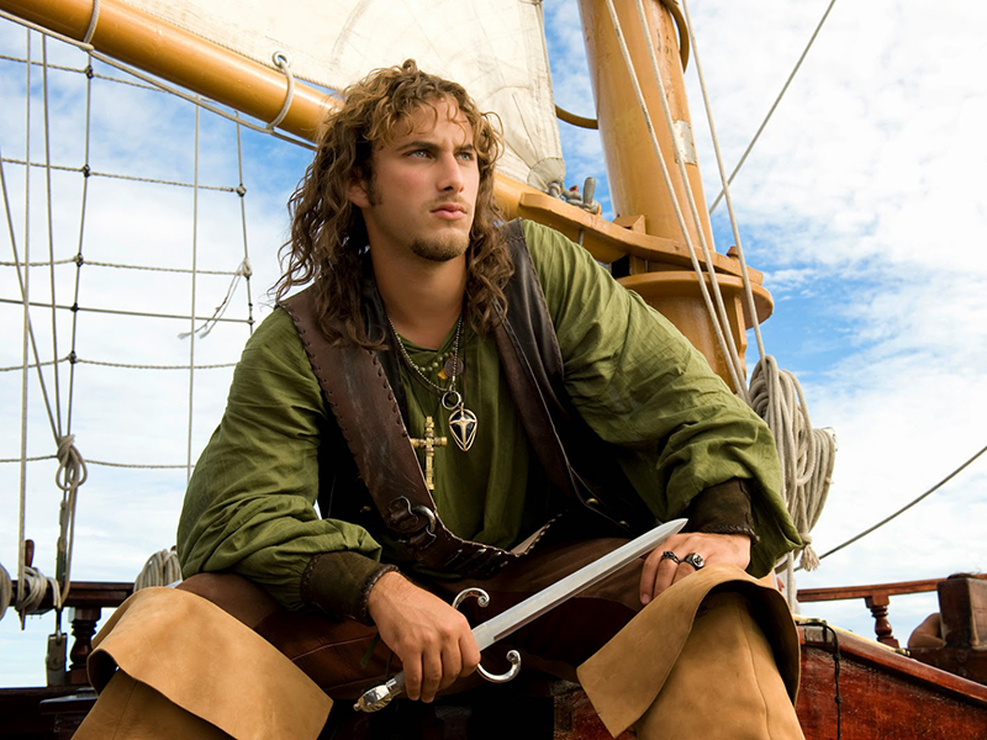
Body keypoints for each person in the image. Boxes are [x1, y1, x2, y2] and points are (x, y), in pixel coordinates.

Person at [76, 60, 805, 739]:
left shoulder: (542, 276)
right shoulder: (300, 339)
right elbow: (238, 513)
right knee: (185, 620)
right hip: (382, 615)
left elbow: (686, 407)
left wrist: (724, 528)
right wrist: (380, 590)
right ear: (358, 183)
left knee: (709, 596)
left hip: (561, 583)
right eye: (420, 154)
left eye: (467, 156)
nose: (453, 177)